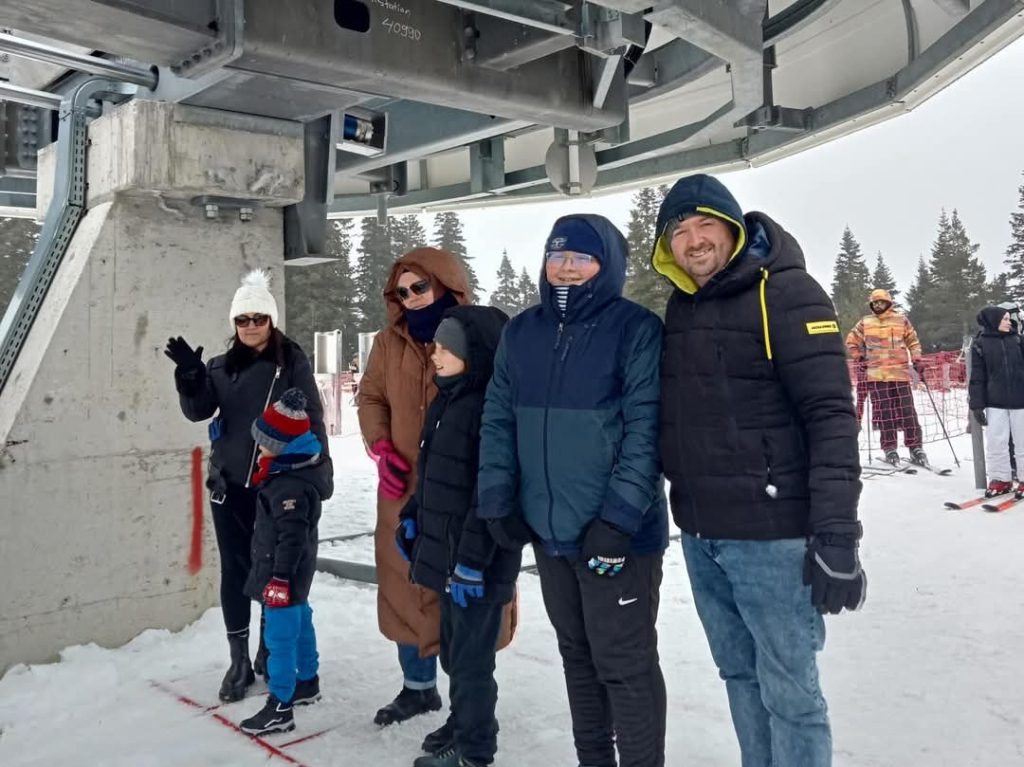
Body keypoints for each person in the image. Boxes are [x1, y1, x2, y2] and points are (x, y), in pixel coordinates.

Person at [651, 173, 865, 767]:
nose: (694, 240)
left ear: (733, 228)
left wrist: (838, 533)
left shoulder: (787, 292)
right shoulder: (682, 306)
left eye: (706, 225)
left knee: (791, 695)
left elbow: (830, 416)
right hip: (702, 536)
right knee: (739, 677)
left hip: (772, 538)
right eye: (679, 231)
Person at [478, 214, 669, 767]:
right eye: (557, 256)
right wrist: (498, 497)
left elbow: (646, 430)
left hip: (617, 537)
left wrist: (619, 519)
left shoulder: (635, 329)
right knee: (577, 658)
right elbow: (498, 419)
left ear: (606, 266)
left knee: (624, 662)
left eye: (581, 257)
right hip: (551, 533)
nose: (566, 267)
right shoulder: (522, 332)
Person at [165, 269, 328, 702]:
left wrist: (317, 476)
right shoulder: (221, 367)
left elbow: (312, 418)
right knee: (235, 571)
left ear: (271, 320)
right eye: (243, 319)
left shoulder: (290, 364)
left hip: (274, 489)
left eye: (259, 318)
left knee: (271, 570)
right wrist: (191, 378)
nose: (251, 326)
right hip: (229, 487)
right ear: (234, 324)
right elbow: (198, 411)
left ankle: (267, 648)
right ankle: (238, 659)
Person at [397, 305, 518, 767]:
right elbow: (433, 475)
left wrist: (471, 560)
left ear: (475, 354)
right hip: (448, 556)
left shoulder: (490, 409)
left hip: (476, 564)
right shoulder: (448, 399)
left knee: (471, 663)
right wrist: (413, 517)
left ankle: (474, 751)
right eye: (436, 346)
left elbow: (491, 495)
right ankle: (463, 722)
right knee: (453, 653)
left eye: (447, 349)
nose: (435, 354)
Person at [357, 248, 473, 726]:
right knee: (406, 586)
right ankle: (418, 687)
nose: (411, 298)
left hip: (459, 487)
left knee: (461, 591)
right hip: (402, 488)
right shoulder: (388, 343)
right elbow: (370, 397)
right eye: (402, 292)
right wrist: (381, 447)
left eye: (419, 287)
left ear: (444, 283)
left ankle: (469, 701)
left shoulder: (475, 334)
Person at [239, 388, 332, 735]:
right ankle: (308, 680)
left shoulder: (289, 487)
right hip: (294, 575)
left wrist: (279, 579)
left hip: (283, 574)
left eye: (264, 443)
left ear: (281, 446)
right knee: (301, 620)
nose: (259, 448)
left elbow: (292, 539)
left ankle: (280, 705)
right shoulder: (290, 473)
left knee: (279, 637)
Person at [845, 288, 927, 467]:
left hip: (899, 374)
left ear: (888, 303)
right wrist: (859, 356)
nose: (878, 305)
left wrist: (917, 359)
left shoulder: (901, 320)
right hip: (876, 376)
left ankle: (915, 446)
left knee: (907, 411)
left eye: (881, 302)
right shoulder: (865, 322)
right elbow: (851, 340)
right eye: (875, 303)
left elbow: (913, 341)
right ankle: (889, 447)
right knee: (885, 413)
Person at [969, 306, 1024, 498]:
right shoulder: (980, 344)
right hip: (995, 402)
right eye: (1005, 319)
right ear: (993, 320)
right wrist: (977, 405)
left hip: (1021, 401)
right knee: (996, 442)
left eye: (1009, 319)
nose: (1009, 322)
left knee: (1022, 441)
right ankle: (1001, 479)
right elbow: (977, 377)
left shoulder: (1018, 341)